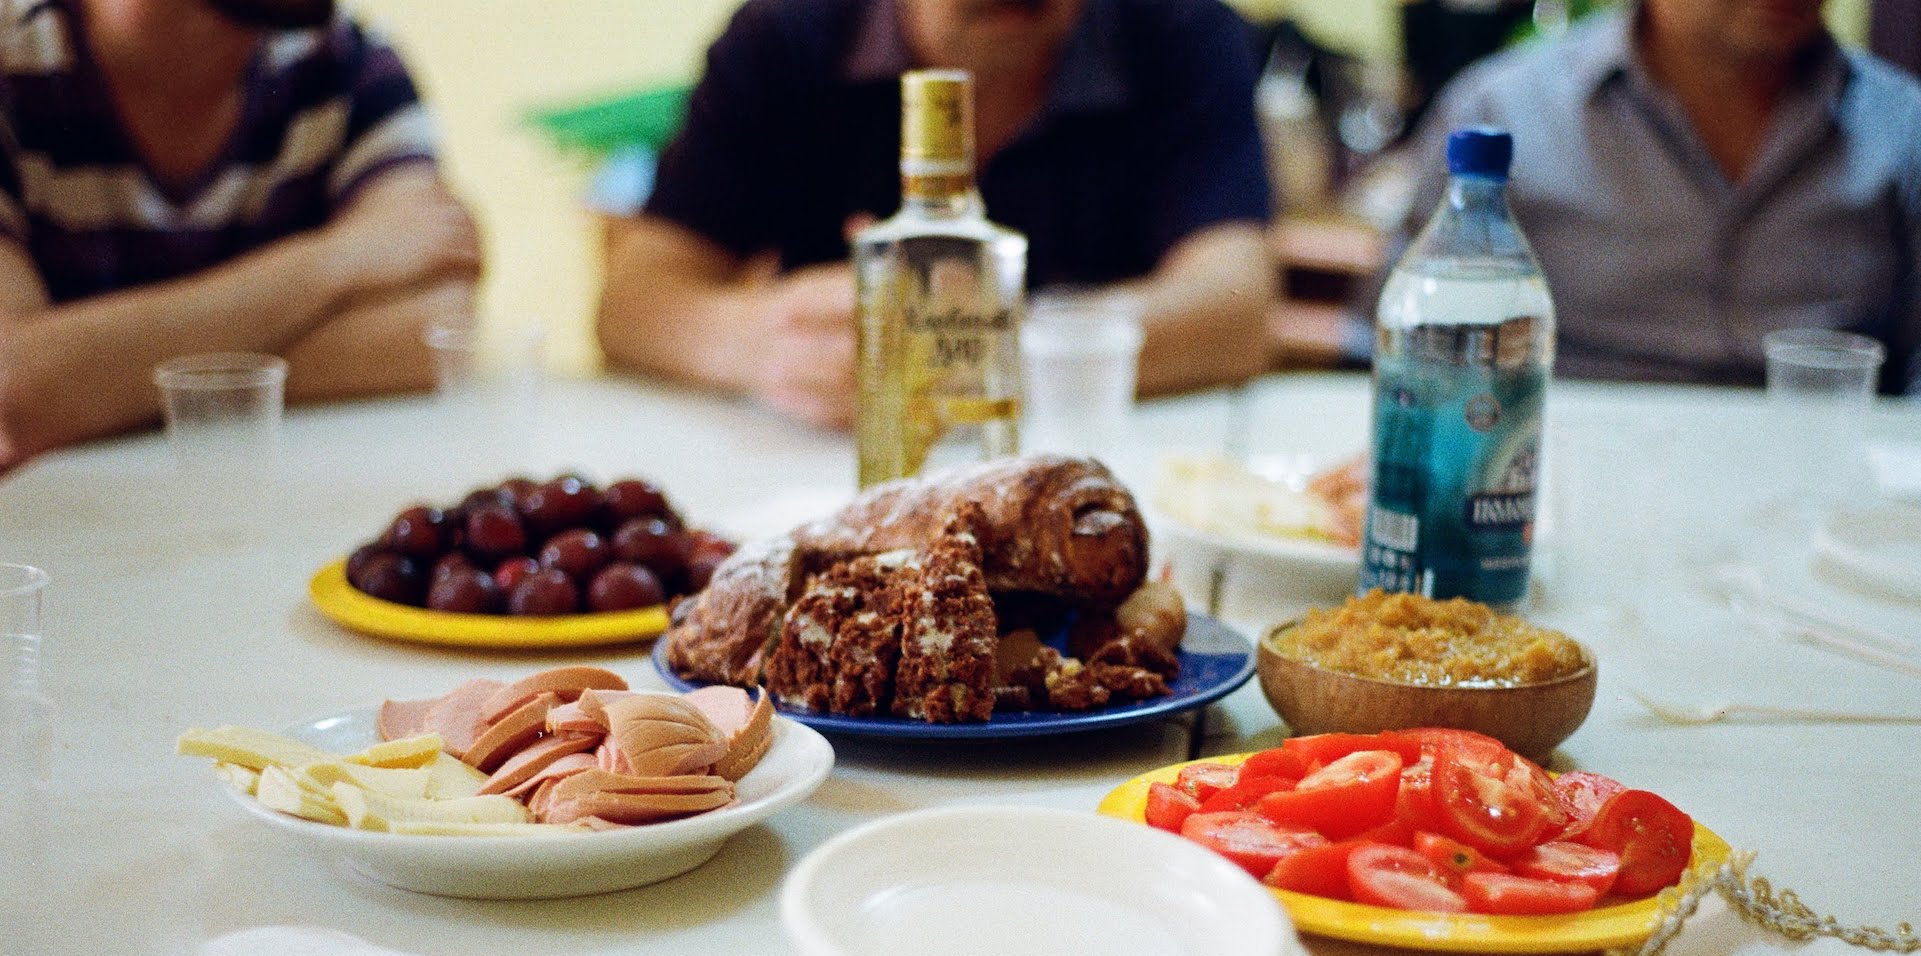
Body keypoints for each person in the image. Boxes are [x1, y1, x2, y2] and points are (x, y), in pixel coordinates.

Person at [596, 0, 1276, 430]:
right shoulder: (781, 38)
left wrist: (971, 343)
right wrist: (759, 340)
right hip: (822, 477)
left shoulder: (1179, 29)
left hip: (1089, 469)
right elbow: (630, 302)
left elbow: (1238, 308)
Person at [1397, 0, 1921, 399]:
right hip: (1565, 504)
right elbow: (1406, 355)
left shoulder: (1905, 128)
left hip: (1823, 516)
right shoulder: (1499, 114)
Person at [0, 0, 482, 473]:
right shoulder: (10, 52)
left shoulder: (349, 59)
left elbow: (432, 332)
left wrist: (83, 387)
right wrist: (338, 259)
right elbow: (11, 385)